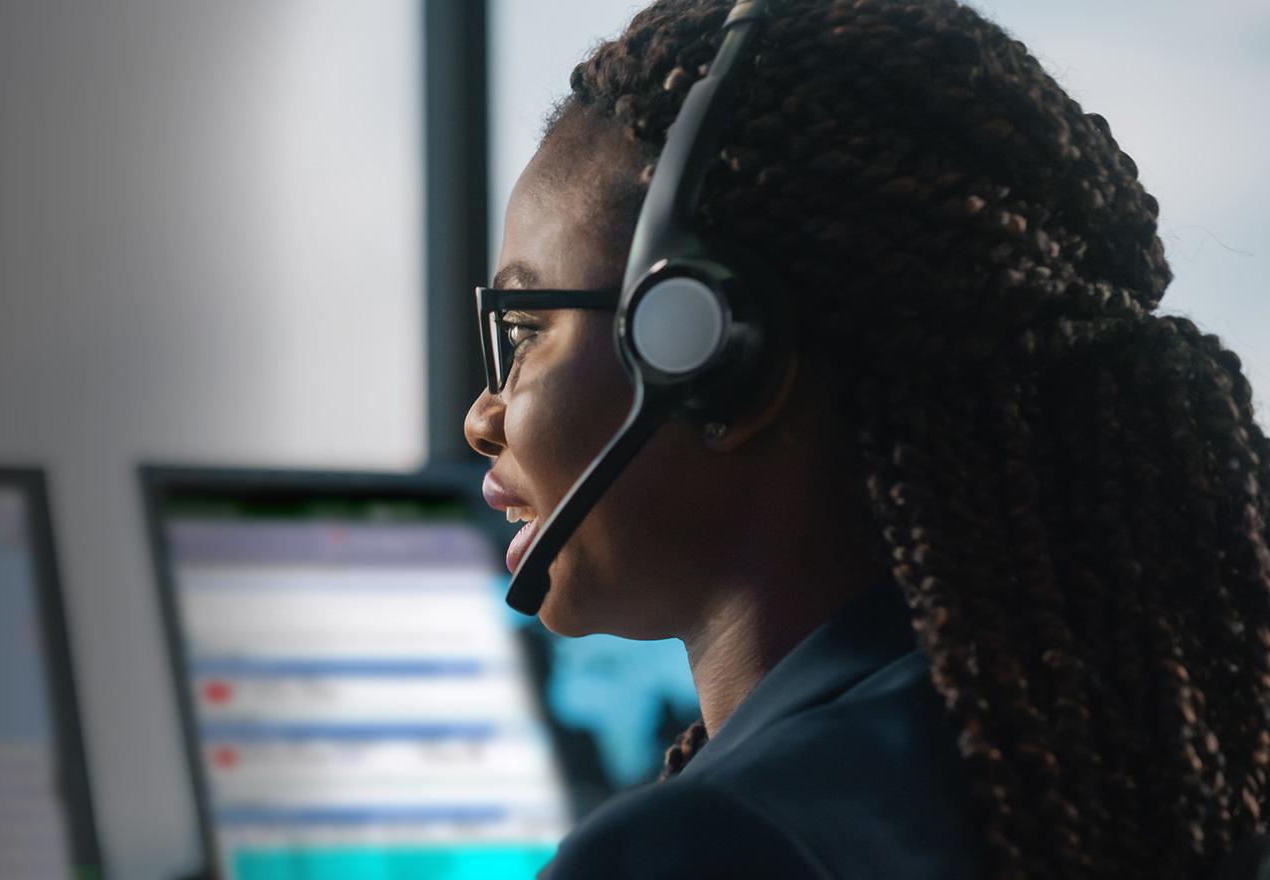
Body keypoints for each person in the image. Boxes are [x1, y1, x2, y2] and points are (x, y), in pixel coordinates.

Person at [462, 0, 1270, 877]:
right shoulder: (1139, 749)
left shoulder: (707, 848)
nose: (480, 417)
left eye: (529, 326)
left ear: (708, 354)